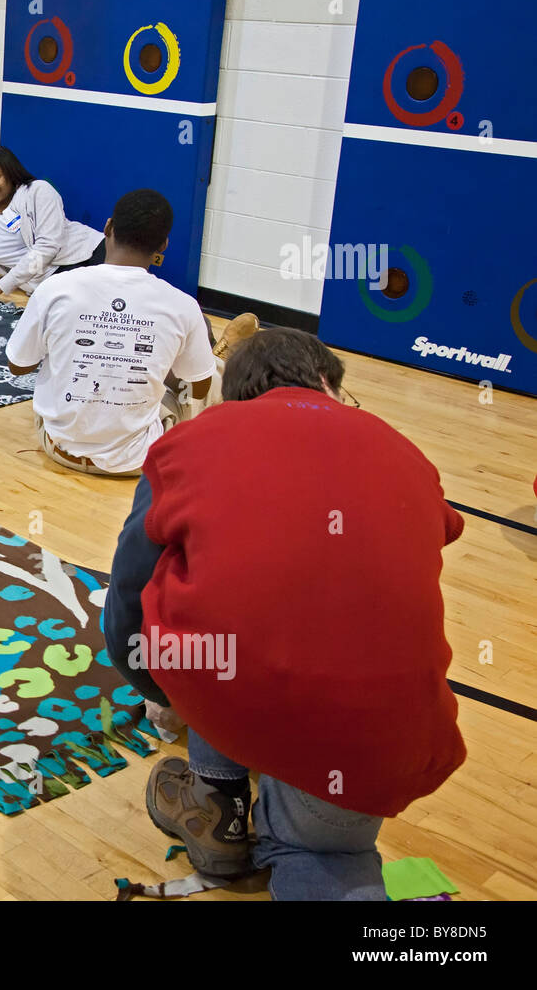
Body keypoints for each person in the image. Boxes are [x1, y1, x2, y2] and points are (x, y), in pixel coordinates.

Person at [103, 329, 467, 899]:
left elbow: (128, 590)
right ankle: (239, 801)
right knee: (326, 848)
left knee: (202, 609)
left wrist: (156, 685)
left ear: (235, 393)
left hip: (230, 680)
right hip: (386, 728)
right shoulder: (404, 450)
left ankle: (217, 802)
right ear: (331, 385)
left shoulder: (192, 441)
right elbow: (443, 528)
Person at [6, 189, 221, 476]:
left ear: (108, 227)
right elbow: (199, 389)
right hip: (139, 460)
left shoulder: (54, 288)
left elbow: (18, 366)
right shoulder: (182, 304)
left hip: (58, 447)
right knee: (212, 375)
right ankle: (220, 357)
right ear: (163, 245)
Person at [0, 147, 101, 301]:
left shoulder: (38, 191)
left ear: (11, 175)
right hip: (48, 283)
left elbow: (47, 246)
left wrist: (0, 286)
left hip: (86, 256)